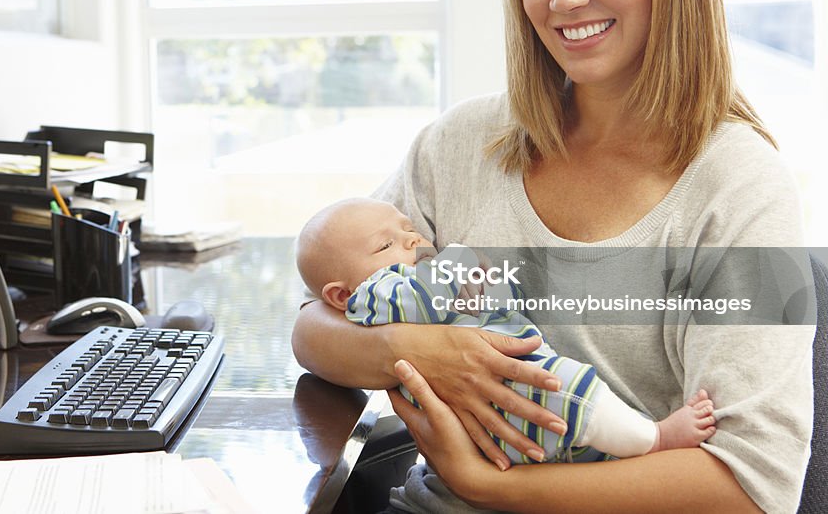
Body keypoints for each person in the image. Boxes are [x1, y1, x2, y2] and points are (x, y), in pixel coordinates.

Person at [290, 0, 814, 512]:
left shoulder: (741, 186)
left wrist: (492, 484)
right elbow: (312, 326)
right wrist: (416, 349)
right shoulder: (462, 144)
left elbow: (751, 486)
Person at [296, 197, 718, 464]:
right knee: (576, 392)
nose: (411, 241)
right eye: (386, 245)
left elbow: (500, 298)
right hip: (510, 403)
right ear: (340, 294)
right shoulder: (374, 295)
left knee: (587, 435)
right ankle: (657, 437)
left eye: (410, 230)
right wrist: (460, 260)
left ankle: (637, 444)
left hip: (509, 422)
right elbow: (309, 326)